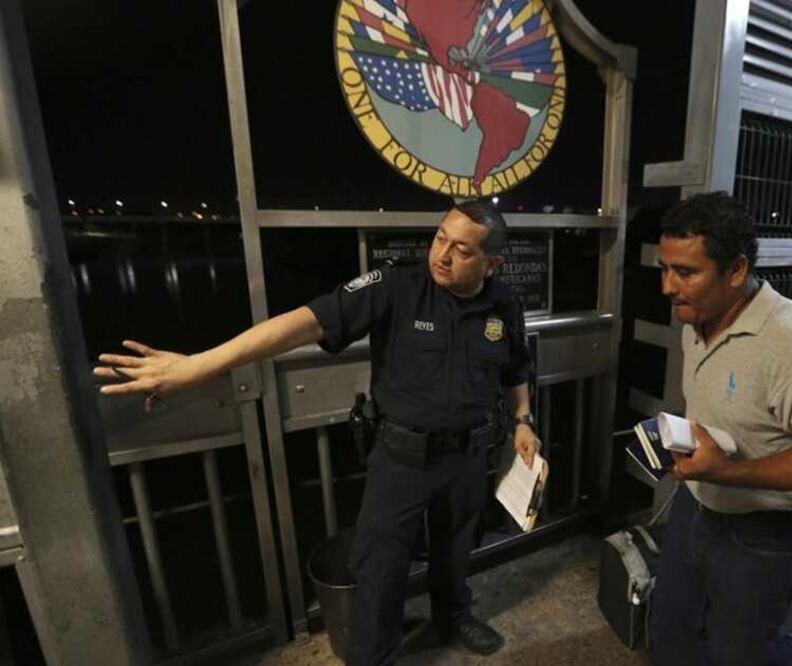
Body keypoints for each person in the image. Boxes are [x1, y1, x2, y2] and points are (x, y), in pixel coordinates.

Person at [95, 201, 540, 665]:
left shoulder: (504, 305)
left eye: (462, 250)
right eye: (440, 238)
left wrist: (524, 421)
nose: (442, 254)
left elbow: (514, 370)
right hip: (402, 458)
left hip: (468, 455)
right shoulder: (396, 286)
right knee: (380, 567)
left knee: (456, 548)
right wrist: (199, 366)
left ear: (492, 264)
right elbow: (304, 322)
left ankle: (452, 616)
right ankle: (372, 656)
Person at [649, 192, 792, 665]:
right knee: (669, 636)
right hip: (696, 509)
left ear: (736, 271)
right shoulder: (696, 318)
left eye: (685, 272)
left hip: (763, 535)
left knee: (736, 653)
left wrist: (727, 472)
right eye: (665, 268)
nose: (668, 286)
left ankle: (784, 653)